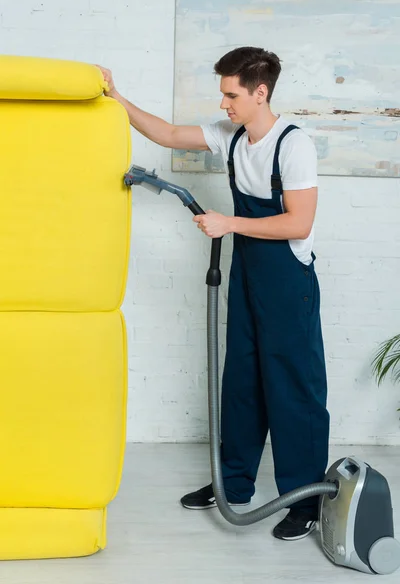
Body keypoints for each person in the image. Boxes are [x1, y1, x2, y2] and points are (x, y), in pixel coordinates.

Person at [96, 46, 330, 541]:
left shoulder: (293, 145)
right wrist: (116, 96)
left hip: (289, 282)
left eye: (231, 94)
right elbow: (165, 132)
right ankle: (235, 484)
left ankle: (304, 501)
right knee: (241, 380)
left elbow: (299, 221)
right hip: (249, 275)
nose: (223, 104)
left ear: (259, 92)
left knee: (292, 387)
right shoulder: (232, 137)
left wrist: (230, 223)